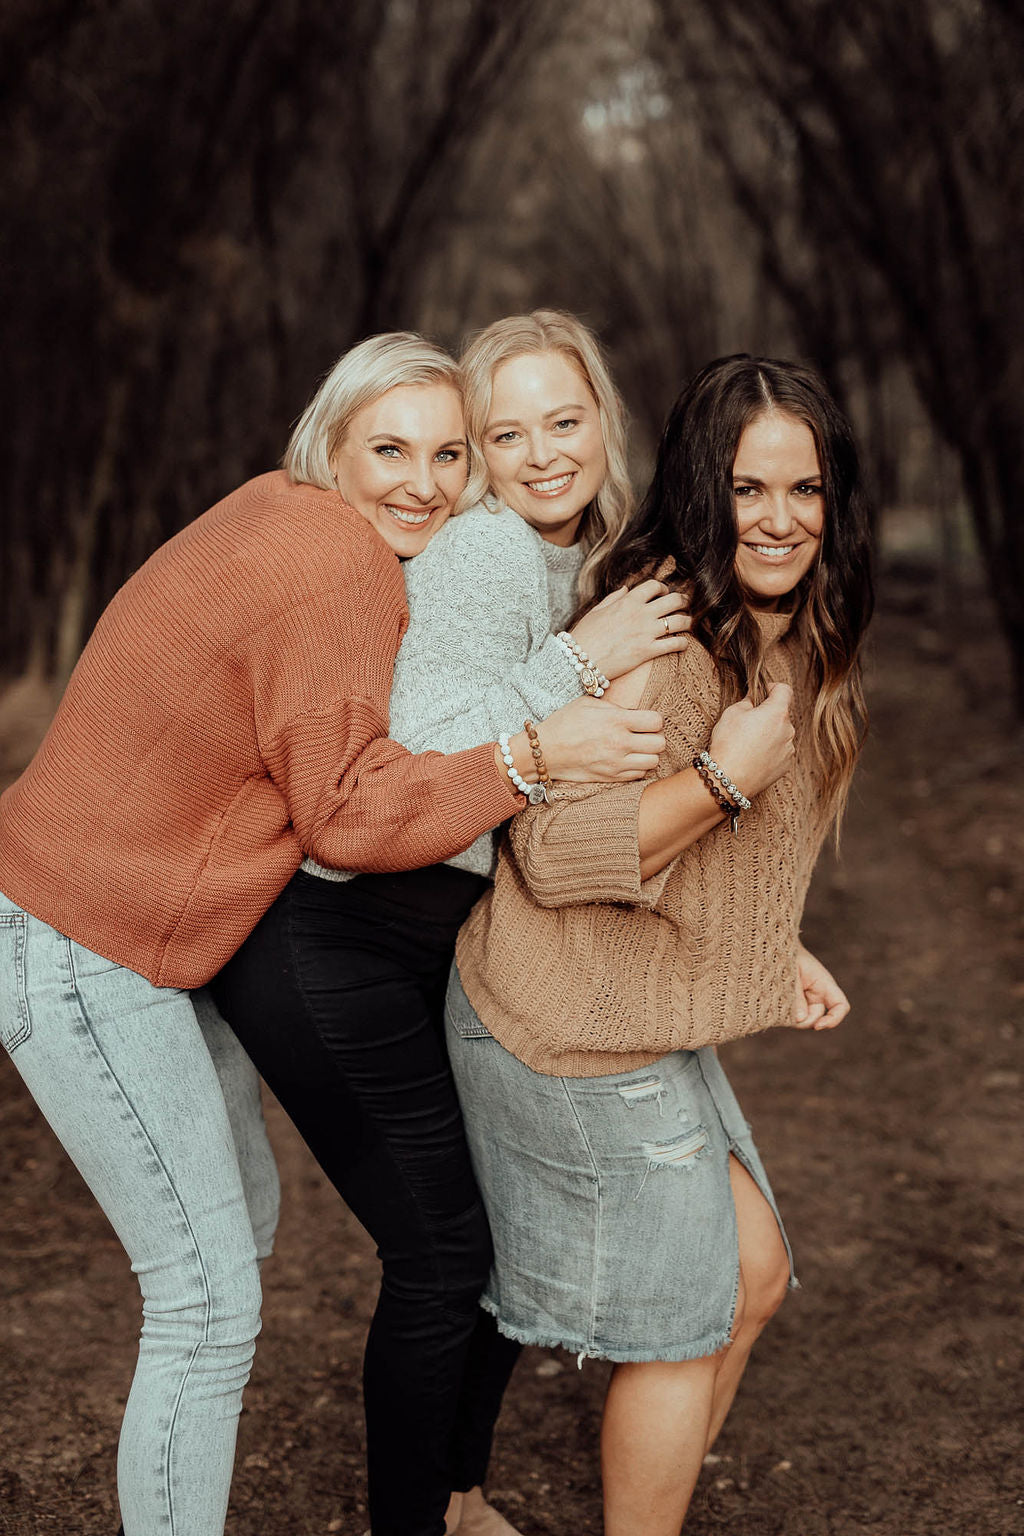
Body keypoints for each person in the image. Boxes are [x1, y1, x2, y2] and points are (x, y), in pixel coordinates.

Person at [0, 330, 656, 1536]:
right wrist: (538, 741)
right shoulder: (332, 563)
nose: (422, 481)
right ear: (329, 444)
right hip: (80, 934)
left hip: (144, 933)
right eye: (389, 449)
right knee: (202, 1301)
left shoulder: (285, 515)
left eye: (450, 455)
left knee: (237, 1239)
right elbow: (349, 815)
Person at [210, 309, 689, 1536]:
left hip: (412, 944)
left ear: (604, 422)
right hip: (337, 945)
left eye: (562, 422)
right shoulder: (485, 553)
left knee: (477, 1249)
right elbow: (418, 753)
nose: (537, 455)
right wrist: (580, 660)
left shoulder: (568, 559)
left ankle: (457, 1497)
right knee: (442, 1261)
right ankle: (423, 1519)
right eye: (504, 431)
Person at [446, 353, 875, 1536]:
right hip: (563, 1019)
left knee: (754, 1279)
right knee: (693, 1315)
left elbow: (731, 857)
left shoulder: (795, 627)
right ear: (700, 490)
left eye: (805, 489)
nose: (780, 520)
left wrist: (768, 944)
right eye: (748, 490)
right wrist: (720, 783)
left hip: (638, 1001)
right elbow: (560, 852)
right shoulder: (665, 639)